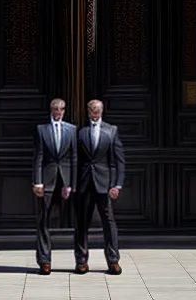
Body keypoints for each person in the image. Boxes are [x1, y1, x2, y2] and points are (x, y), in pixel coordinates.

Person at [73, 98, 126, 275]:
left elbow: (119, 160)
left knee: (109, 223)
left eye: (97, 110)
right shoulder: (80, 132)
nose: (94, 113)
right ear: (88, 111)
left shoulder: (111, 131)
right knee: (82, 223)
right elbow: (76, 160)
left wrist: (117, 185)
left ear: (102, 111)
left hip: (105, 184)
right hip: (84, 183)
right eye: (91, 110)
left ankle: (113, 260)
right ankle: (81, 261)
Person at [31, 97, 77, 275]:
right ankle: (44, 261)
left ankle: (81, 261)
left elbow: (74, 158)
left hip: (66, 182)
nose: (58, 111)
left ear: (64, 111)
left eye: (61, 108)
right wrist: (37, 181)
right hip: (47, 180)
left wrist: (71, 183)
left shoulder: (71, 130)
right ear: (51, 110)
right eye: (56, 108)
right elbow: (38, 157)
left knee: (79, 220)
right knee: (43, 221)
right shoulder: (41, 129)